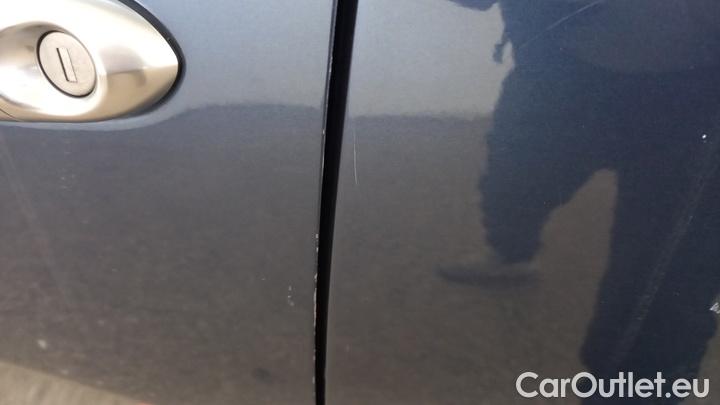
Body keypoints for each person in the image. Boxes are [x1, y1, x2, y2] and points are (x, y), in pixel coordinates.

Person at [446, 1, 720, 402]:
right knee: (516, 175)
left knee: (665, 274)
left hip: (700, 90)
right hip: (563, 61)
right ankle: (510, 251)